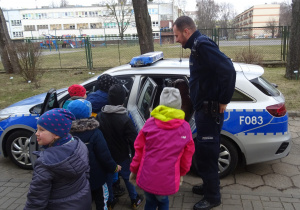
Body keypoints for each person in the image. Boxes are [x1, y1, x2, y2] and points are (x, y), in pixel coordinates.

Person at [173, 16, 236, 210]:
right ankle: (210, 186)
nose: (176, 40)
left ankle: (213, 197)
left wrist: (224, 99)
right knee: (205, 152)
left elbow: (228, 70)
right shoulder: (197, 47)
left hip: (210, 112)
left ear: (186, 31)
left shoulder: (202, 46)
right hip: (204, 111)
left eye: (176, 35)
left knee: (207, 154)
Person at [129, 87, 195, 210]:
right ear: (179, 105)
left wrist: (134, 169)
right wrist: (182, 172)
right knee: (163, 202)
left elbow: (138, 149)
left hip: (147, 176)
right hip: (168, 178)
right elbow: (187, 155)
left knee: (149, 202)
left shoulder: (149, 123)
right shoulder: (185, 128)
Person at [24, 108, 91, 210]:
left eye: (42, 130)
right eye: (37, 129)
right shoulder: (79, 145)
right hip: (82, 201)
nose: (36, 133)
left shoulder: (45, 163)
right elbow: (86, 172)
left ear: (56, 134)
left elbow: (36, 200)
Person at [96, 84, 144, 210]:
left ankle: (110, 202)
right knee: (128, 177)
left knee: (108, 178)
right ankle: (134, 199)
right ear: (123, 100)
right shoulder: (125, 118)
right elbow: (134, 140)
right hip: (123, 155)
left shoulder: (100, 116)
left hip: (106, 155)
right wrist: (135, 156)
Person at [67, 99, 122, 210]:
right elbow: (104, 155)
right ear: (89, 113)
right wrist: (114, 167)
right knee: (102, 200)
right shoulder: (95, 133)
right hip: (97, 177)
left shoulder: (67, 134)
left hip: (78, 178)